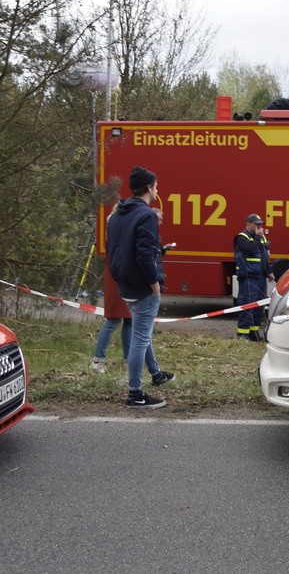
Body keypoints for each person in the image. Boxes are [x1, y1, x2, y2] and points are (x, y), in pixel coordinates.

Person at [106, 166, 175, 409]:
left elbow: (114, 249)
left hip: (126, 283)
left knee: (141, 332)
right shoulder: (145, 215)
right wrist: (154, 283)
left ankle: (156, 374)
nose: (158, 189)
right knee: (139, 338)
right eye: (155, 185)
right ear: (148, 188)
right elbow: (144, 255)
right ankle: (135, 393)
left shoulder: (118, 214)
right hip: (142, 286)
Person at [92, 204, 131, 372]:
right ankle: (97, 359)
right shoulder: (116, 234)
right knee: (114, 319)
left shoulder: (116, 231)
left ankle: (129, 358)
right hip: (118, 279)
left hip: (123, 278)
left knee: (130, 319)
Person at [234, 213, 274, 341]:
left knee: (259, 307)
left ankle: (254, 332)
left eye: (260, 225)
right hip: (249, 277)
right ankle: (243, 334)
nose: (259, 227)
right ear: (249, 224)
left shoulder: (260, 238)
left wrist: (269, 271)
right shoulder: (241, 237)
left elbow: (265, 257)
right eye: (256, 224)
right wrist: (257, 238)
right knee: (247, 304)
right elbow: (250, 250)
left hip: (261, 277)